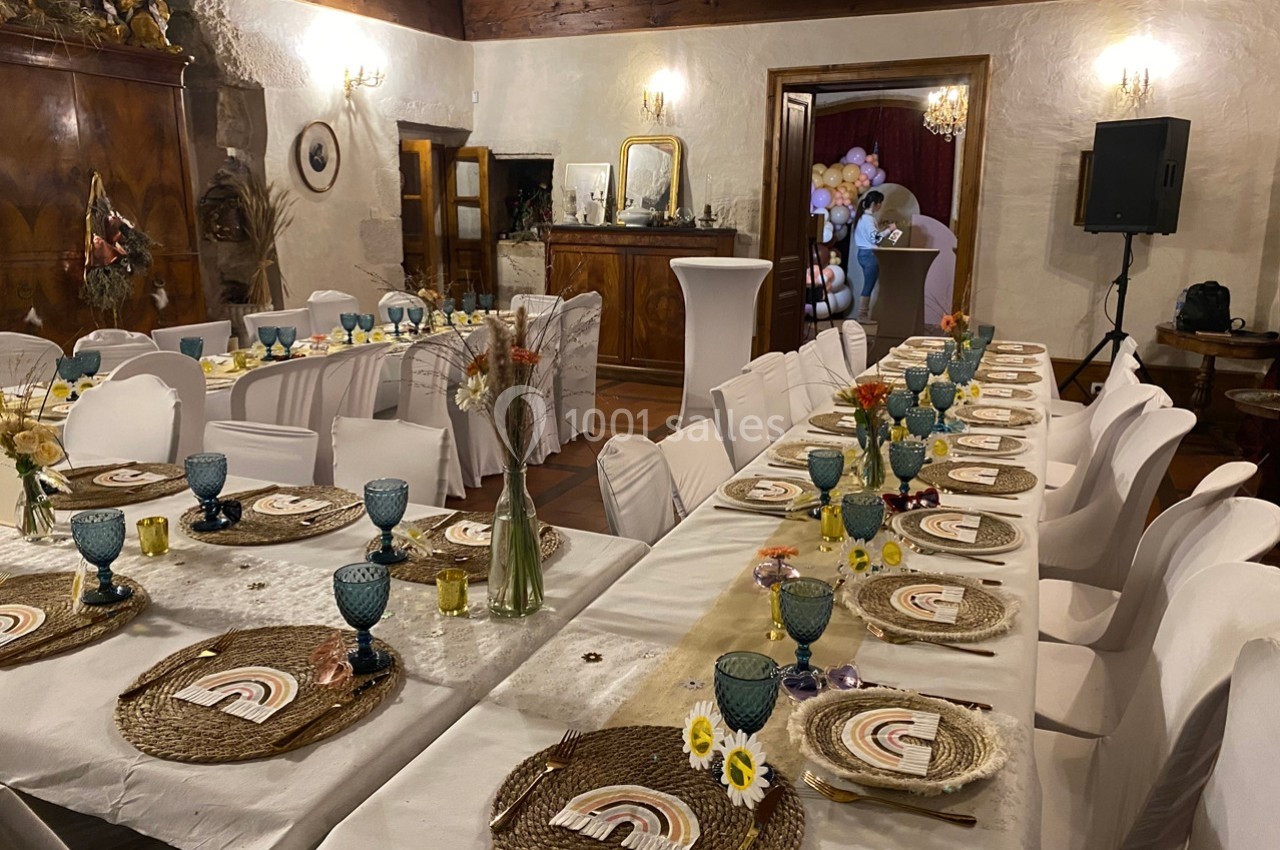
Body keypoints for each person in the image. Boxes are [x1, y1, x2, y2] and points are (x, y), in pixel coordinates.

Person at [851, 191, 896, 320]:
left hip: (863, 253)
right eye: (880, 203)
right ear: (875, 204)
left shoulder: (861, 218)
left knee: (868, 285)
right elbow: (875, 238)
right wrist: (889, 230)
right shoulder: (869, 220)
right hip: (870, 255)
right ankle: (862, 315)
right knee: (868, 286)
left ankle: (862, 314)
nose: (880, 206)